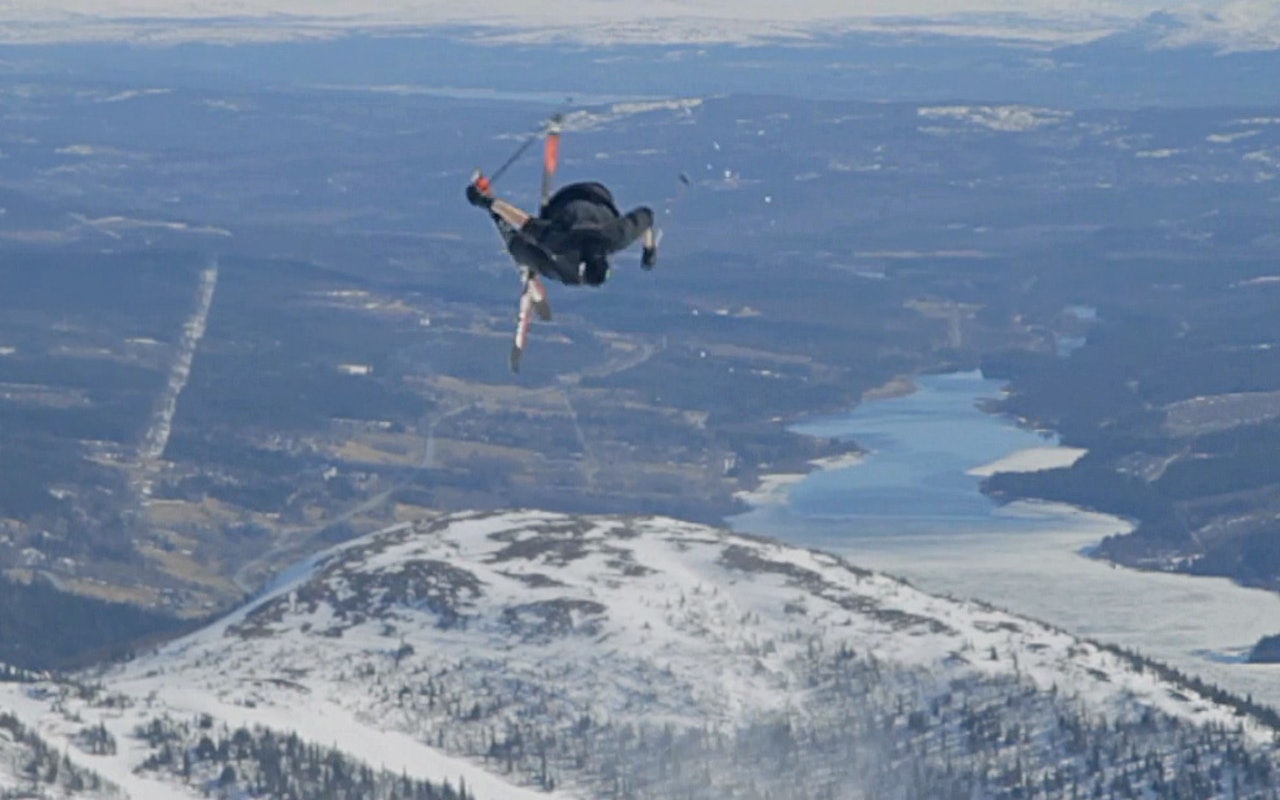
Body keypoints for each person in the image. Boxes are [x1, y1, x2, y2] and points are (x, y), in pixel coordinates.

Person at [467, 180, 657, 286]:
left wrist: (649, 251)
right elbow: (523, 222)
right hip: (567, 202)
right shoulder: (564, 241)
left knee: (565, 271)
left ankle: (522, 250)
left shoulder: (617, 236)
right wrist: (487, 203)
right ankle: (523, 254)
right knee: (556, 268)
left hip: (594, 194)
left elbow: (647, 217)